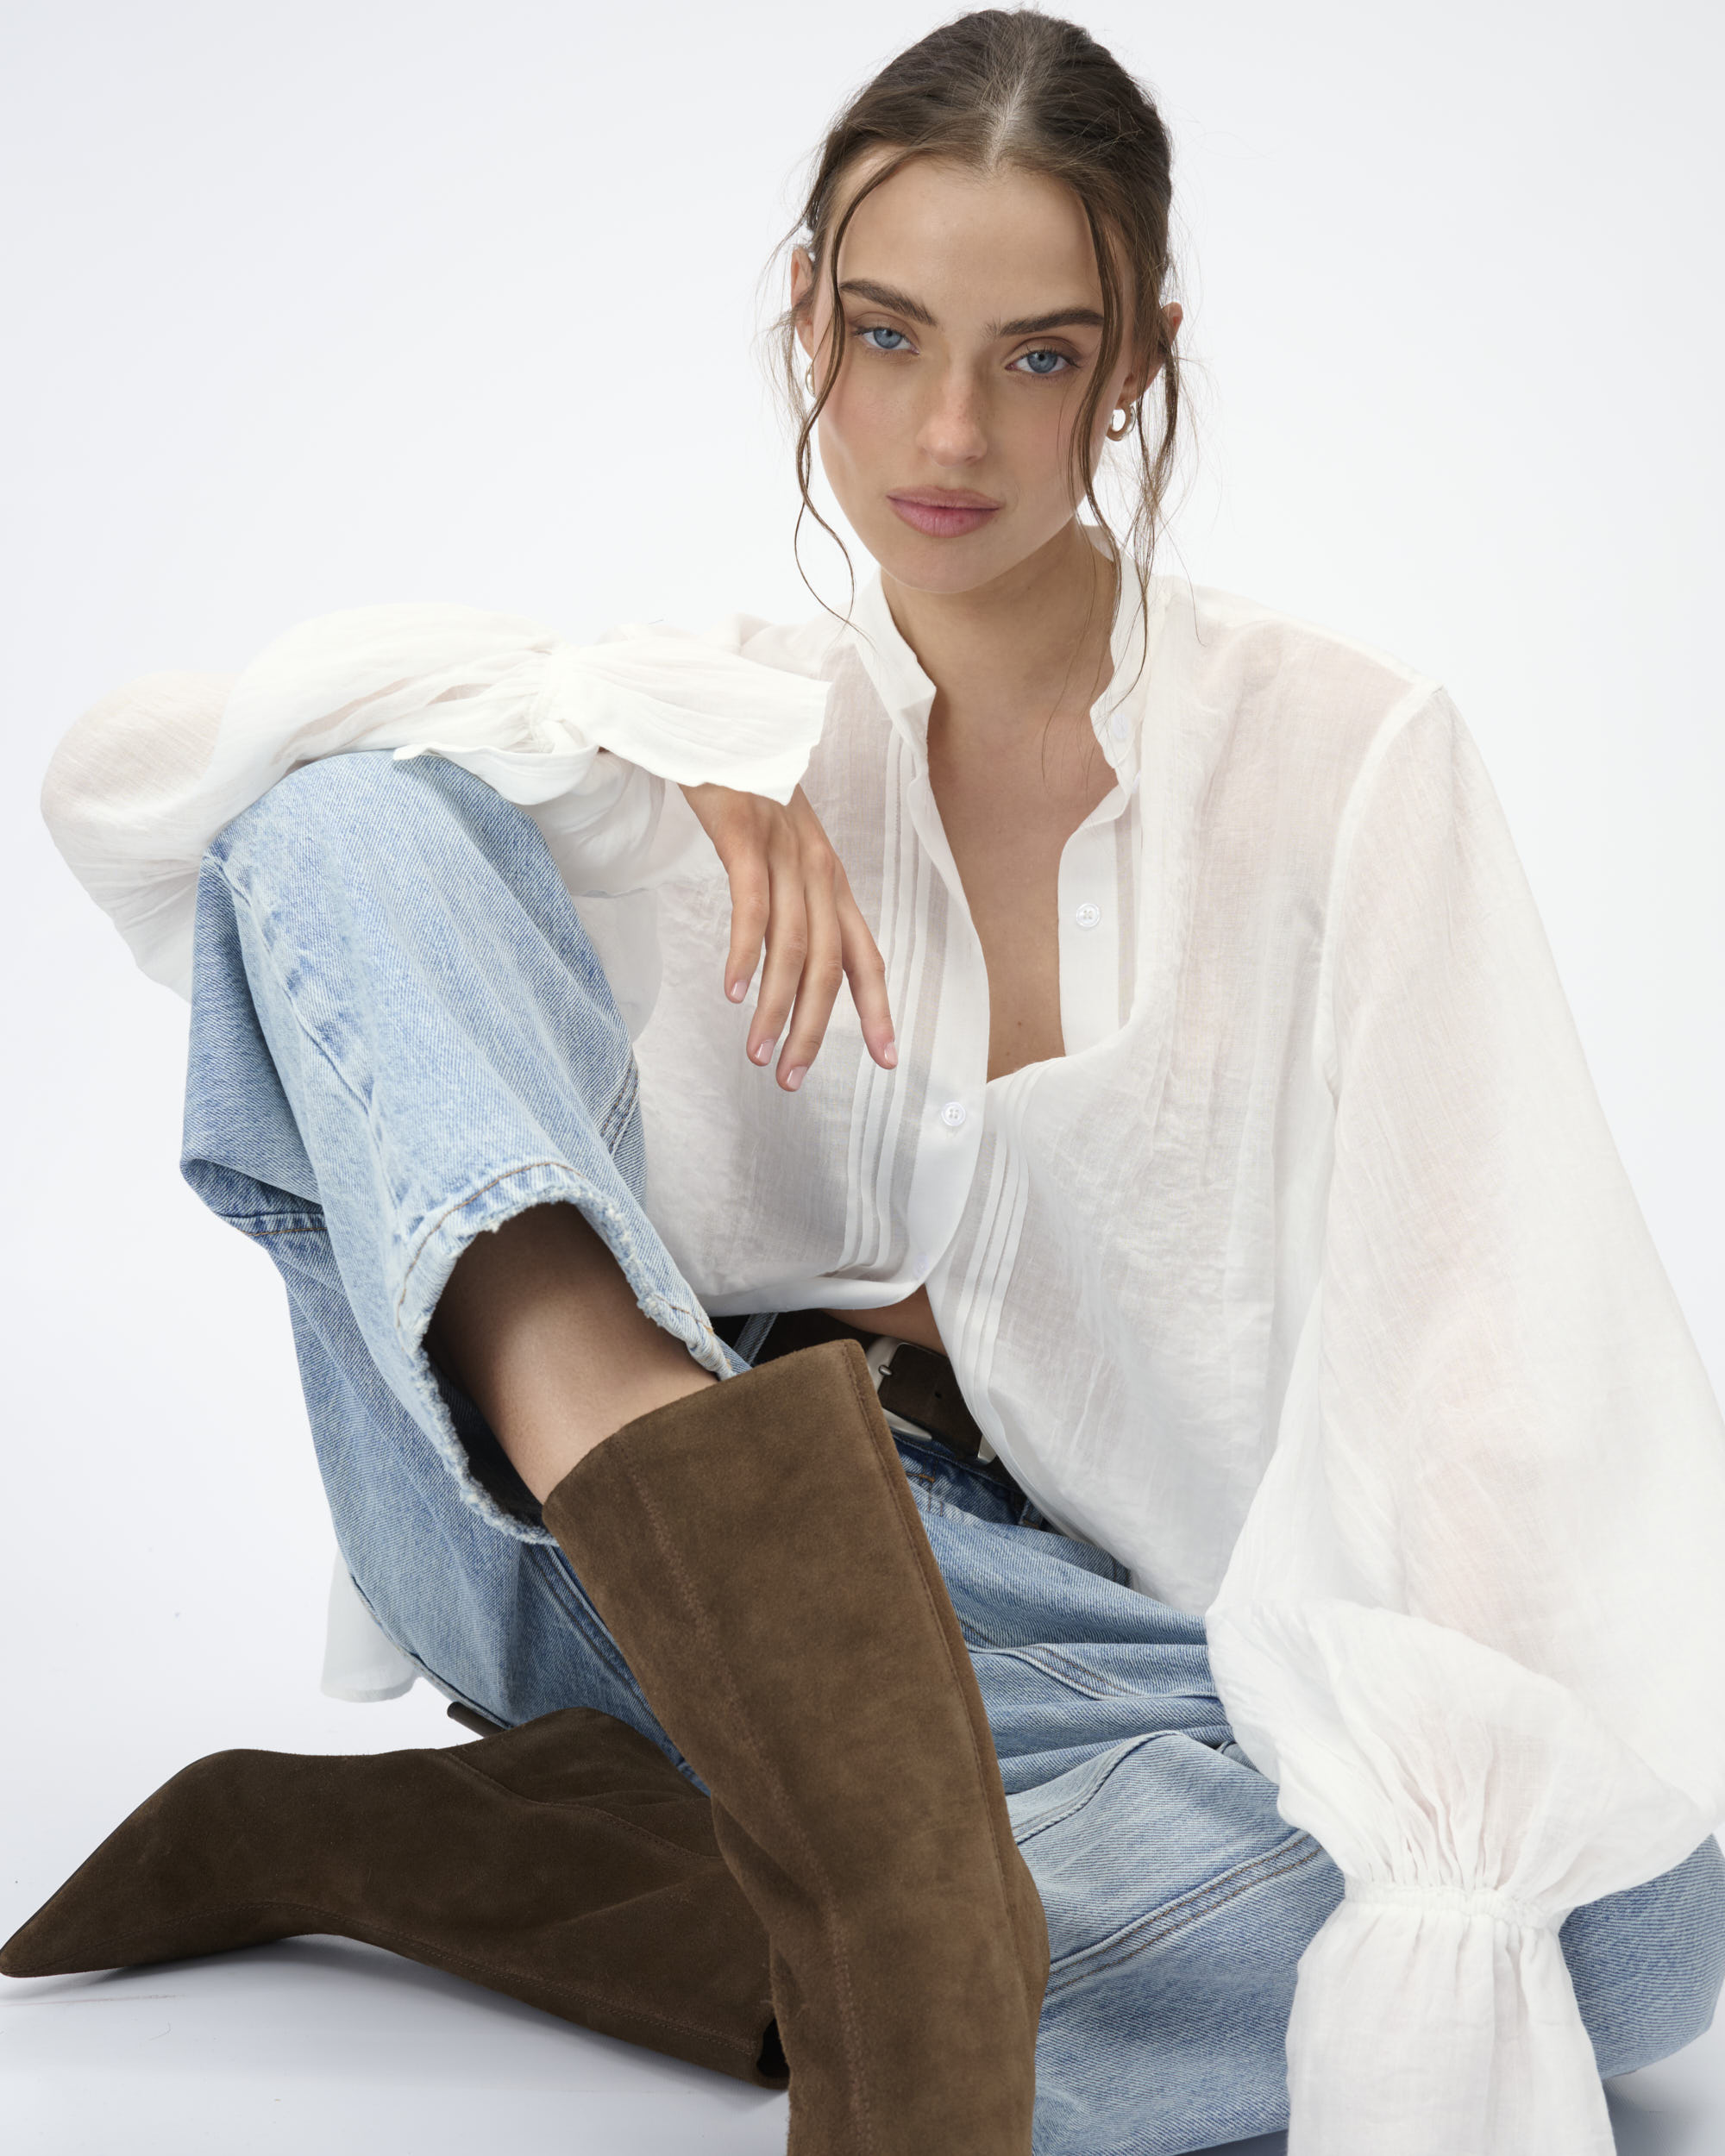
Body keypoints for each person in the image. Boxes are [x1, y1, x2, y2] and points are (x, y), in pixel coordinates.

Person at [7, 9, 1725, 2153]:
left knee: (1624, 1912)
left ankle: (626, 1865)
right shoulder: (715, 706)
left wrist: (1465, 1774)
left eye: (1036, 354)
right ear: (804, 317)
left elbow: (1483, 1339)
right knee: (347, 814)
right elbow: (133, 783)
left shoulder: (1336, 752)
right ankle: (866, 1886)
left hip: (1046, 1637)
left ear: (1137, 362)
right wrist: (624, 737)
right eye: (888, 333)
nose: (947, 429)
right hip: (564, 1529)